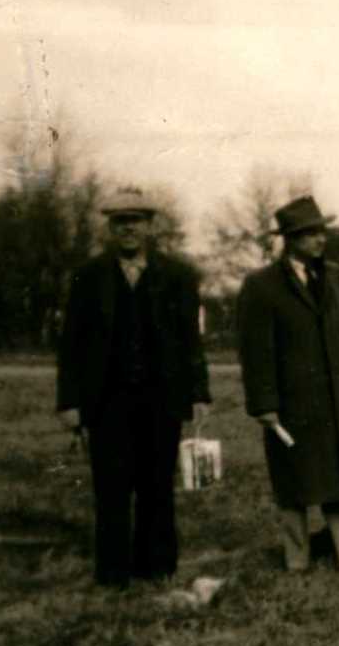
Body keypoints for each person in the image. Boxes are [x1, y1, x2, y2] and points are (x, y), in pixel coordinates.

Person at [55, 186, 211, 588]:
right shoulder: (88, 276)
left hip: (162, 401)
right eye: (119, 221)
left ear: (149, 225)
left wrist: (199, 392)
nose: (128, 228)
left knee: (157, 486)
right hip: (107, 403)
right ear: (110, 227)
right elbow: (71, 344)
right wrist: (69, 403)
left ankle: (157, 568)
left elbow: (190, 340)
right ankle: (112, 574)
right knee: (111, 488)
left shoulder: (177, 276)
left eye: (135, 220)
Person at [237, 196, 339, 570]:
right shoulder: (262, 285)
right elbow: (256, 353)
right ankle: (297, 556)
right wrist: (264, 404)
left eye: (321, 231)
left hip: (337, 397)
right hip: (293, 404)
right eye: (308, 234)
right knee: (295, 482)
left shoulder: (333, 276)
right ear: (288, 239)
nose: (319, 240)